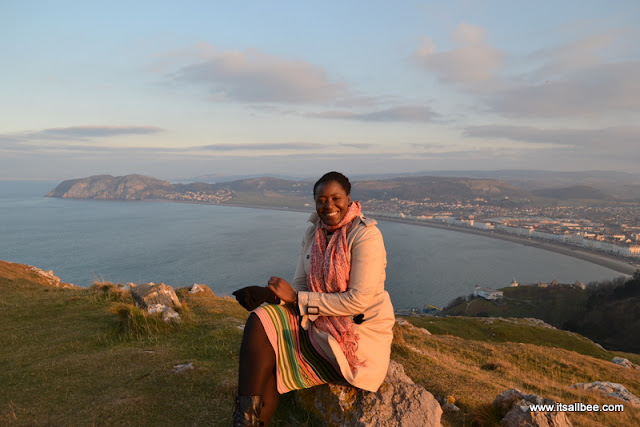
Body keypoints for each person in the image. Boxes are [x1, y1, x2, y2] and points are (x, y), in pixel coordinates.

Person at [232, 171, 395, 426]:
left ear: (348, 198)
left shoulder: (366, 235)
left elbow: (358, 301)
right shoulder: (313, 233)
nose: (328, 205)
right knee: (261, 318)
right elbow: (300, 285)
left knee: (272, 363)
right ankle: (244, 419)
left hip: (352, 339)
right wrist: (270, 295)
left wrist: (295, 298)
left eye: (336, 198)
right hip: (318, 325)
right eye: (321, 200)